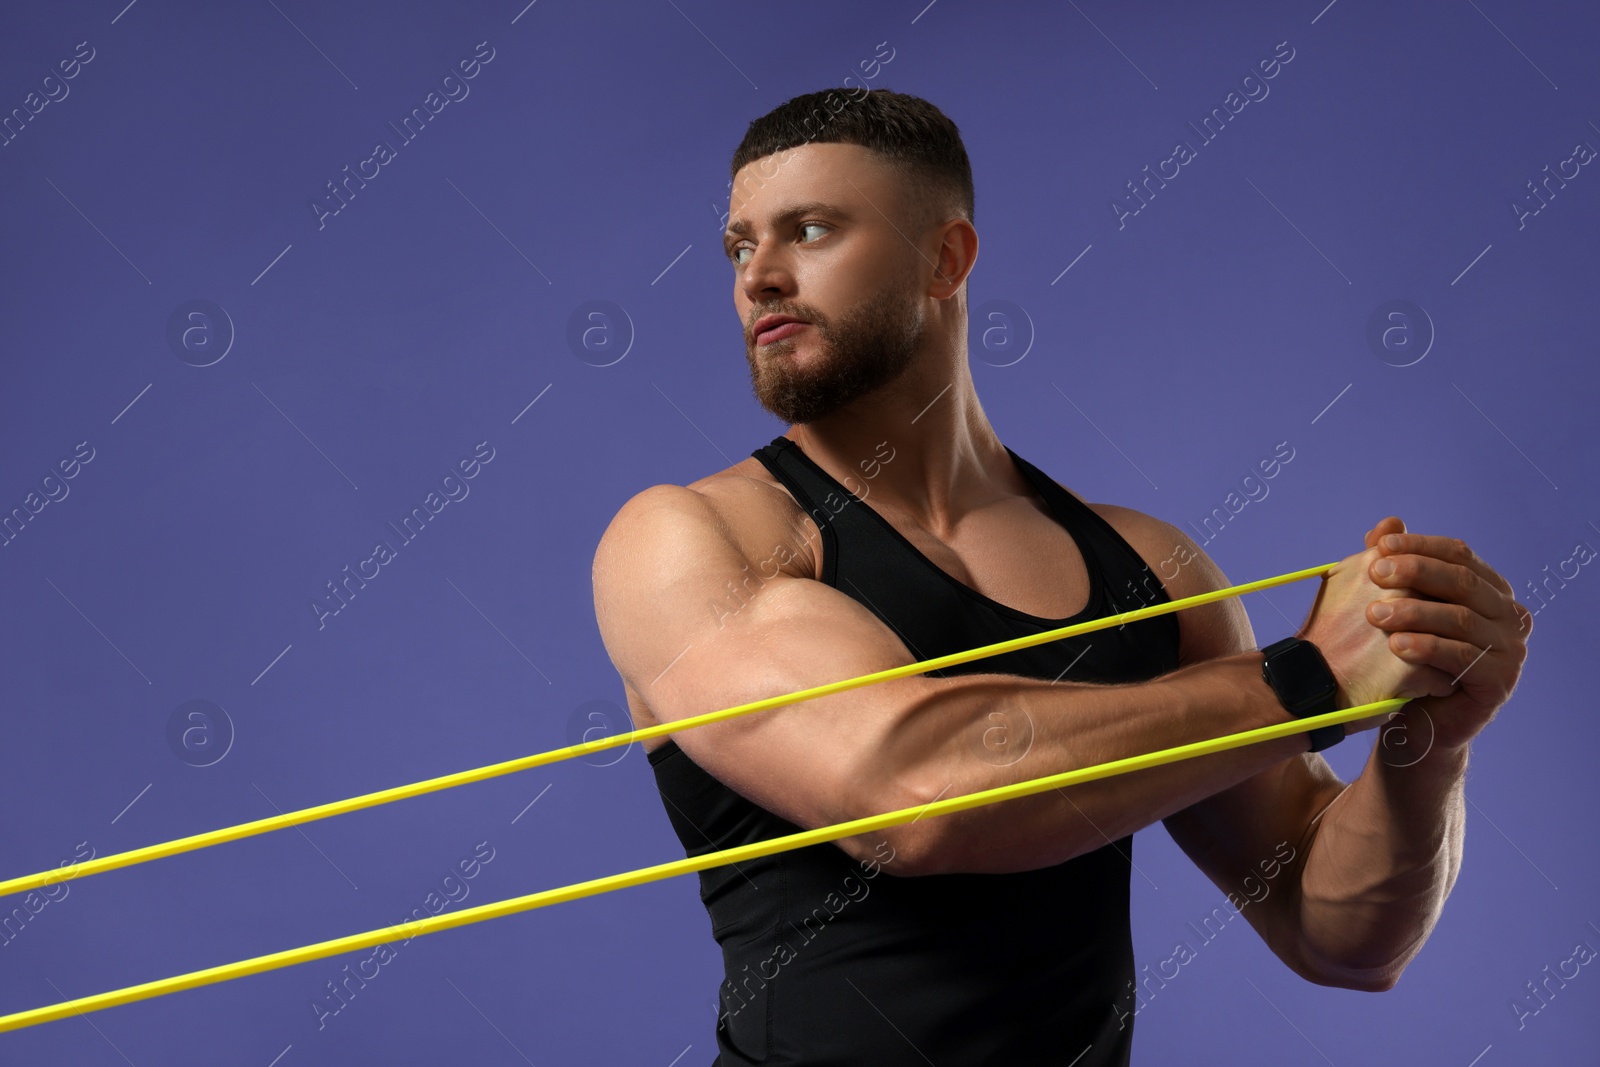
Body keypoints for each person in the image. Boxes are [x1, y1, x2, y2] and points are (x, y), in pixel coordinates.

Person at [590, 88, 1531, 1065]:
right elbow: (915, 791)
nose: (761, 277)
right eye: (740, 247)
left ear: (944, 259)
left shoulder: (1149, 567)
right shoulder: (691, 535)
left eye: (811, 230)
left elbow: (1335, 931)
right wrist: (1305, 680)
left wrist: (1427, 734)